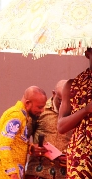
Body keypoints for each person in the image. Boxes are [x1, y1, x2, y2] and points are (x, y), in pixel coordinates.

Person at [0, 86, 47, 179]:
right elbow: (4, 145)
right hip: (2, 174)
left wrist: (31, 148)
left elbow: (16, 143)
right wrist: (12, 173)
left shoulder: (22, 116)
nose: (42, 111)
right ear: (28, 103)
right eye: (40, 107)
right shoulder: (16, 115)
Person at [25, 80, 72, 179]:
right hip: (37, 173)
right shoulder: (40, 110)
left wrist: (71, 157)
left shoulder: (76, 114)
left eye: (68, 100)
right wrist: (32, 148)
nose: (63, 104)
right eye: (60, 100)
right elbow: (21, 139)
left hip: (64, 175)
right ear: (53, 94)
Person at [57, 47, 92, 178]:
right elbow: (61, 126)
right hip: (80, 157)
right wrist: (85, 110)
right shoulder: (71, 86)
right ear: (87, 54)